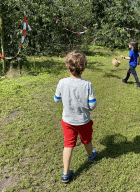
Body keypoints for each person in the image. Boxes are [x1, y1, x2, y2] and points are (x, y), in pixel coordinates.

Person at [54, 50, 97, 183]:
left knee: (68, 145)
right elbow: (92, 104)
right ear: (84, 67)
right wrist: (89, 106)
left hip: (67, 121)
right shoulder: (87, 84)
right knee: (87, 140)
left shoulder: (62, 82)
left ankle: (65, 174)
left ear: (67, 66)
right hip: (83, 120)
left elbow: (57, 99)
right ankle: (91, 156)